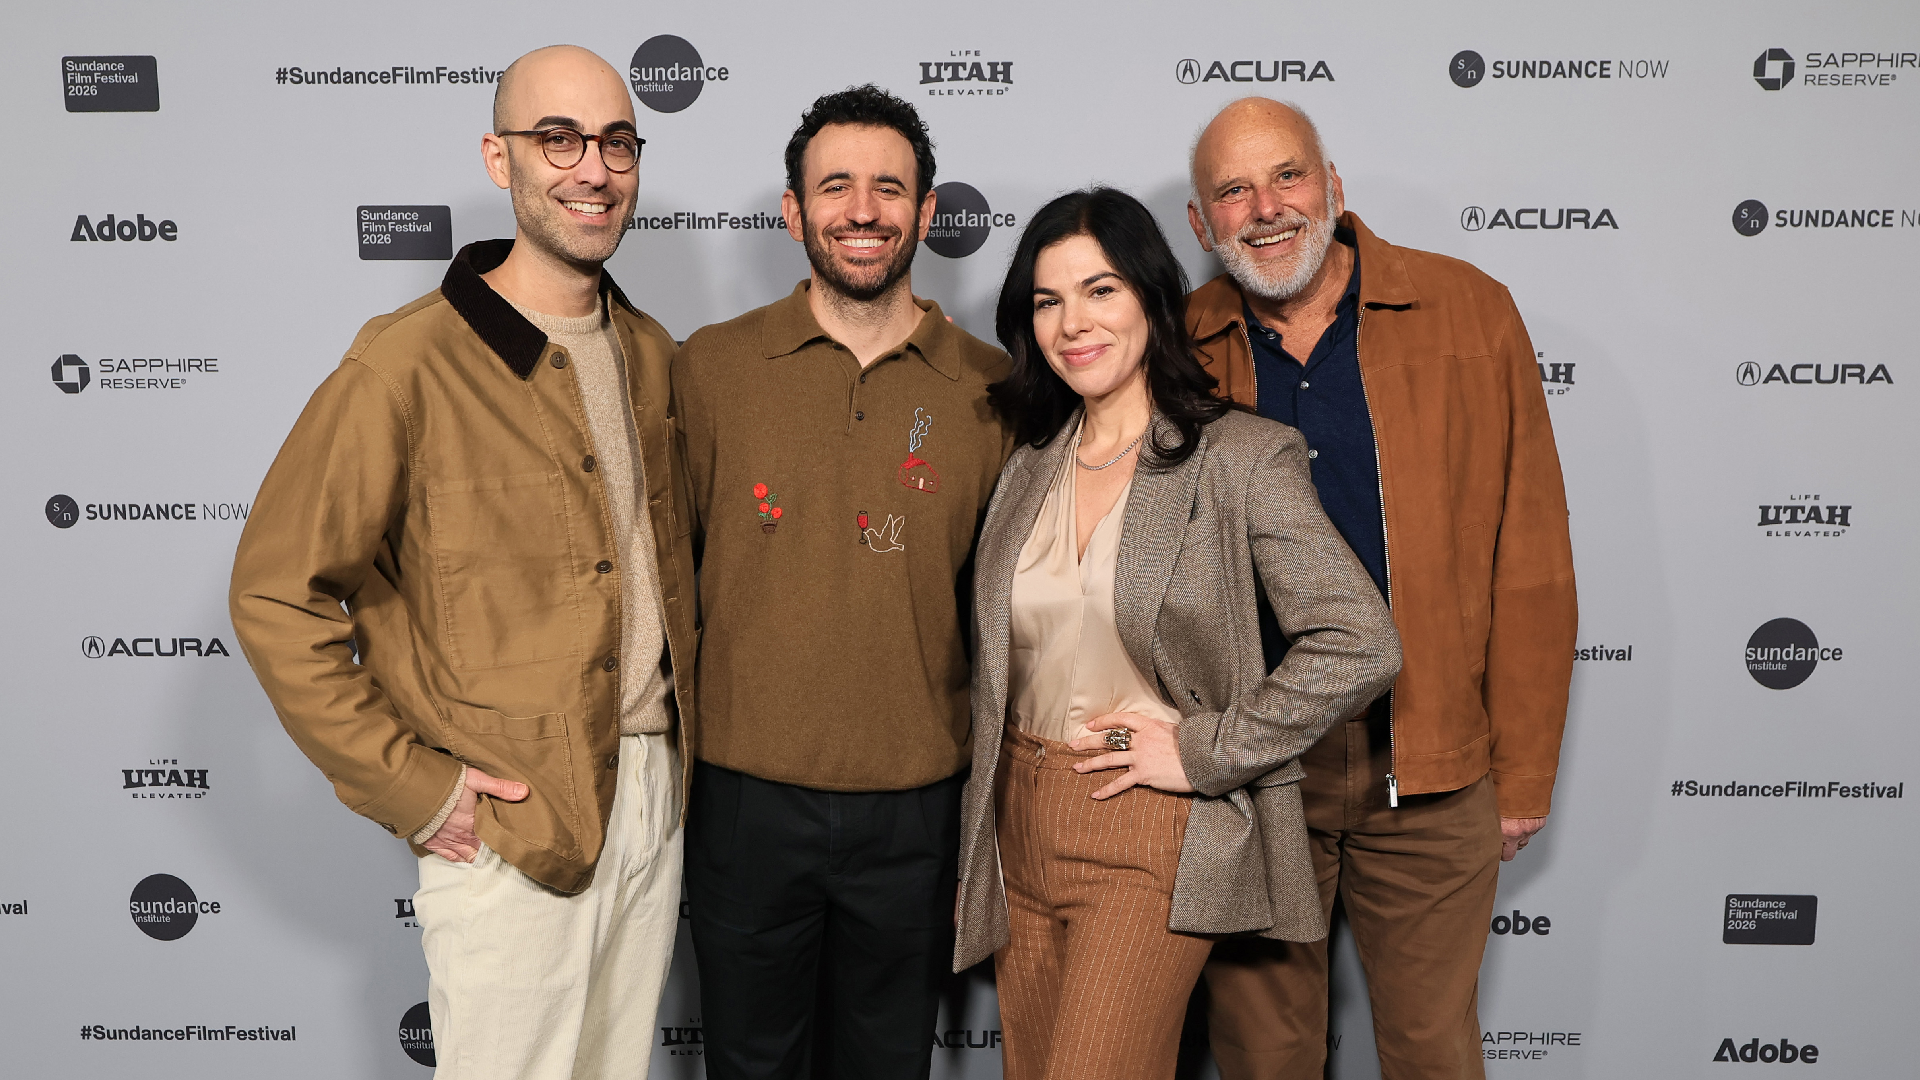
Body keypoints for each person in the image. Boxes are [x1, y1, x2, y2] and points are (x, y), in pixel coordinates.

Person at [228, 45, 695, 1080]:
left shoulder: (655, 352)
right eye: (558, 139)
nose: (593, 170)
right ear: (501, 158)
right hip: (515, 818)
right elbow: (274, 594)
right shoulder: (405, 363)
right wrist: (419, 790)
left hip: (651, 793)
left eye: (617, 142)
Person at [951, 186, 1403, 1080]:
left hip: (1147, 827)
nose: (1072, 322)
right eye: (1048, 301)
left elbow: (1362, 639)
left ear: (1153, 302)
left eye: (1100, 290)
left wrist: (1206, 752)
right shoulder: (1027, 464)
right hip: (1016, 822)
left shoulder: (1238, 458)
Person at [1184, 97, 1578, 1080]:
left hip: (1431, 765)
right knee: (1263, 1059)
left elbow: (1529, 554)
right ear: (1200, 223)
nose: (1266, 208)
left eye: (1288, 176)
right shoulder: (1178, 341)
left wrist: (1522, 770)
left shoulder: (1468, 309)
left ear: (1334, 187)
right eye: (1233, 190)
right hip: (1255, 773)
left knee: (1431, 1055)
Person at [670, 85, 1012, 1080]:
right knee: (749, 1064)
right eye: (836, 186)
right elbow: (664, 575)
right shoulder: (712, 368)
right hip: (742, 800)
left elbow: (1009, 615)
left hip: (916, 807)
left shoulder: (994, 389)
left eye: (889, 188)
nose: (863, 209)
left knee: (886, 1066)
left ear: (928, 211)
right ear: (793, 211)